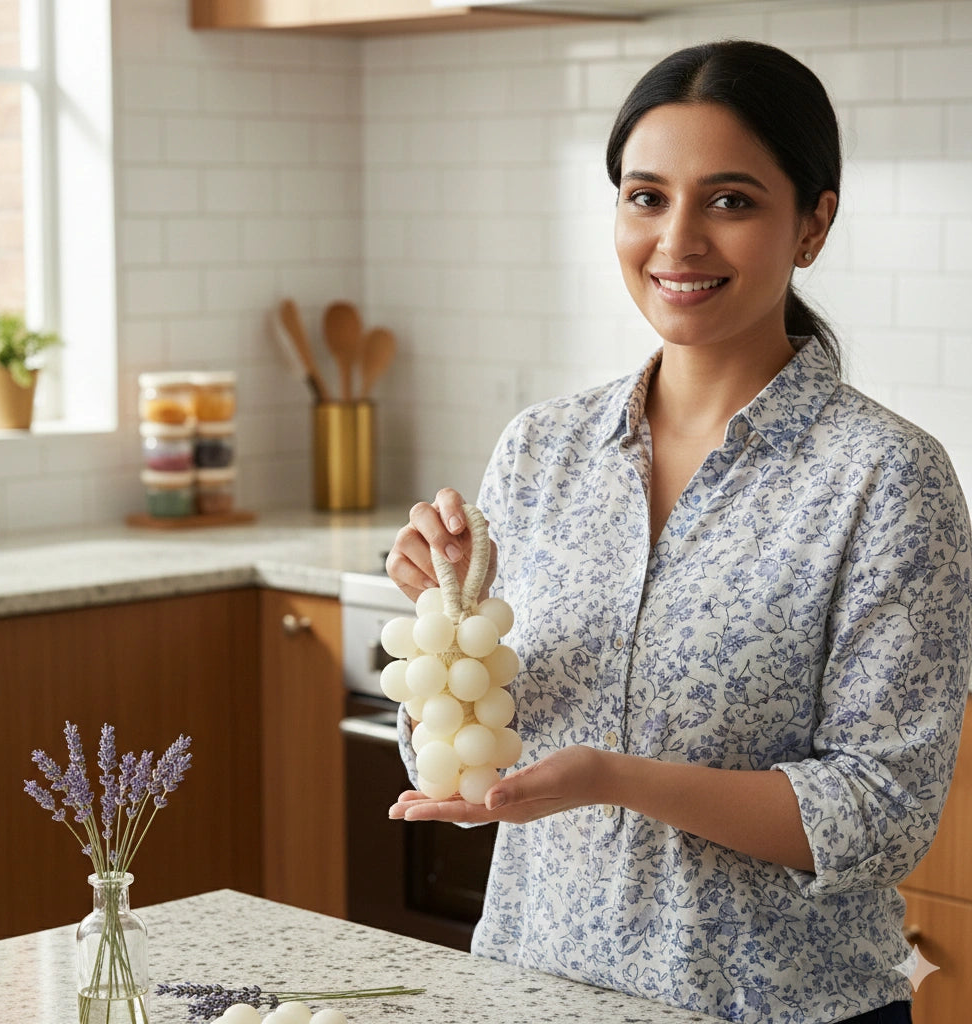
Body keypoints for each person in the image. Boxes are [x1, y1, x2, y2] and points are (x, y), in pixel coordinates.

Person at [385, 40, 971, 1024]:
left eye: (730, 200)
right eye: (645, 197)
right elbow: (455, 761)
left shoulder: (884, 479)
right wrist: (446, 620)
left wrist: (614, 780)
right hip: (535, 990)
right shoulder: (541, 450)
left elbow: (879, 816)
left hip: (777, 1010)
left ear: (812, 224)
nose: (678, 240)